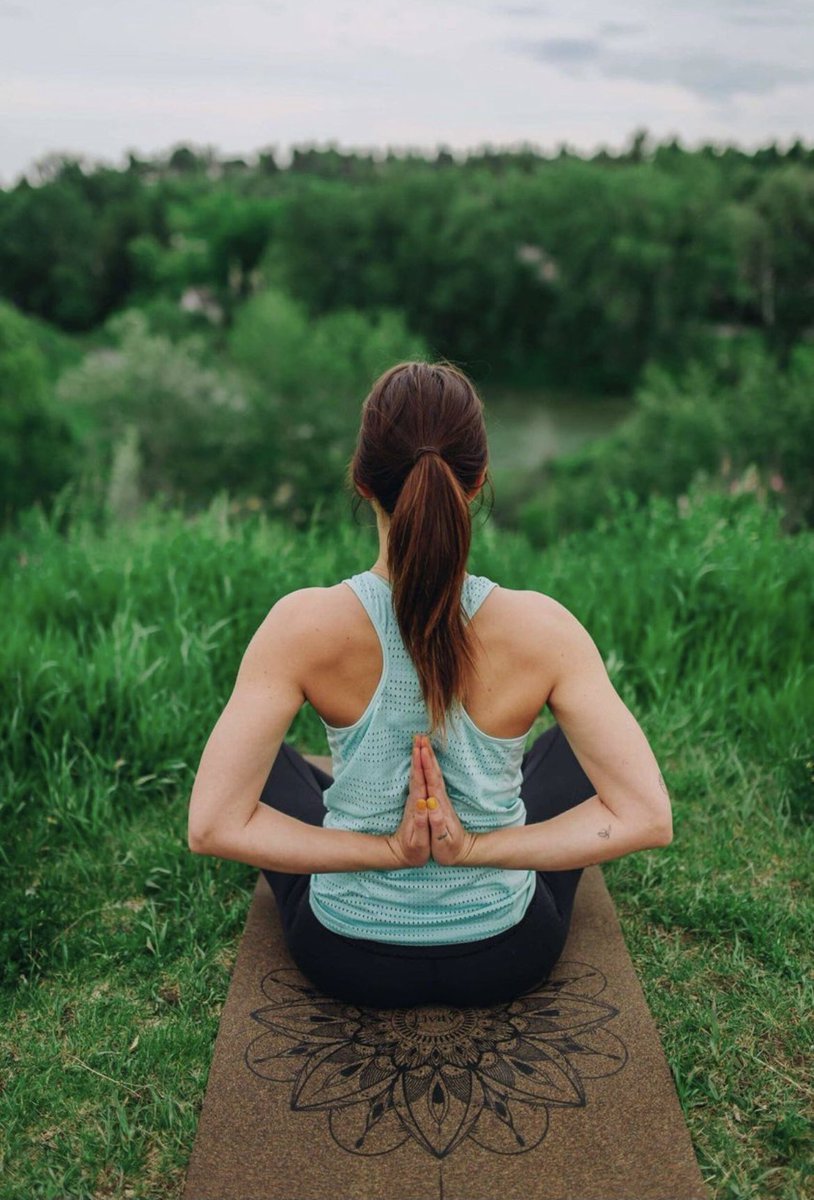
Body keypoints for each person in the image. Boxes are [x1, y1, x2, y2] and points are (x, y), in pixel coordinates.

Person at [187, 361, 673, 1009]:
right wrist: (478, 849)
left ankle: (369, 812)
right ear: (477, 483)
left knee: (266, 769)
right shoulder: (544, 628)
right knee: (573, 756)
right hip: (505, 954)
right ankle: (473, 832)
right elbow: (647, 817)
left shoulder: (300, 625)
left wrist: (388, 851)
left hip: (347, 956)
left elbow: (212, 826)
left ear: (362, 481)